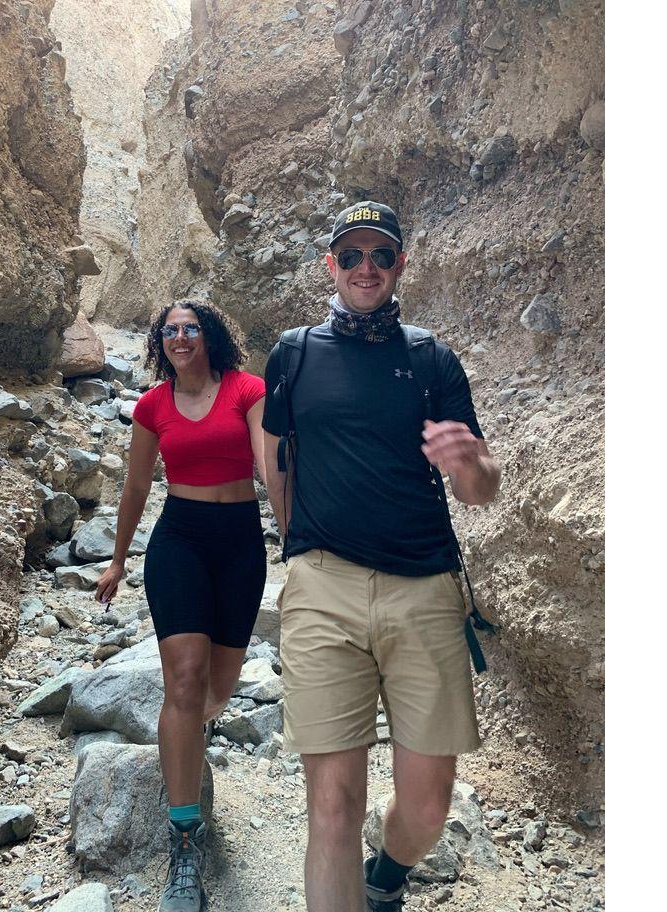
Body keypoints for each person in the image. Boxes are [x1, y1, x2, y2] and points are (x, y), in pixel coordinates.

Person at [261, 201, 501, 912]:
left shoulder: (432, 359)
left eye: (382, 256)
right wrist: (299, 544)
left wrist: (467, 463)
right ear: (329, 265)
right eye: (352, 255)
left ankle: (387, 875)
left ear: (401, 265)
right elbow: (278, 462)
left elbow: (482, 489)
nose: (367, 268)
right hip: (323, 589)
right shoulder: (294, 353)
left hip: (424, 592)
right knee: (331, 809)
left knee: (428, 809)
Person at [95, 297, 268, 912]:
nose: (180, 336)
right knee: (185, 682)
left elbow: (269, 466)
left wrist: (300, 534)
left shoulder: (248, 389)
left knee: (215, 693)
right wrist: (117, 559)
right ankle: (184, 838)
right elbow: (137, 484)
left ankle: (188, 748)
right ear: (159, 342)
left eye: (190, 327)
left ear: (209, 335)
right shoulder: (152, 406)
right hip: (180, 542)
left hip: (242, 543)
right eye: (169, 330)